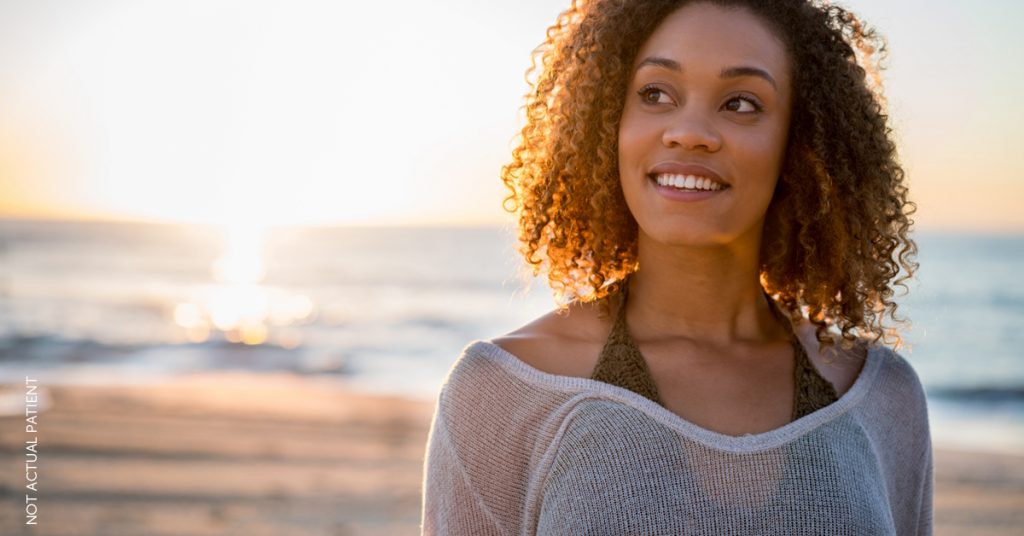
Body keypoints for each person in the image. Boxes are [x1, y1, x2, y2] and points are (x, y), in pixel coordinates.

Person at [421, 0, 931, 534]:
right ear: (608, 122)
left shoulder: (880, 396)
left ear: (799, 144)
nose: (689, 132)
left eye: (740, 103)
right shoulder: (503, 392)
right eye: (655, 94)